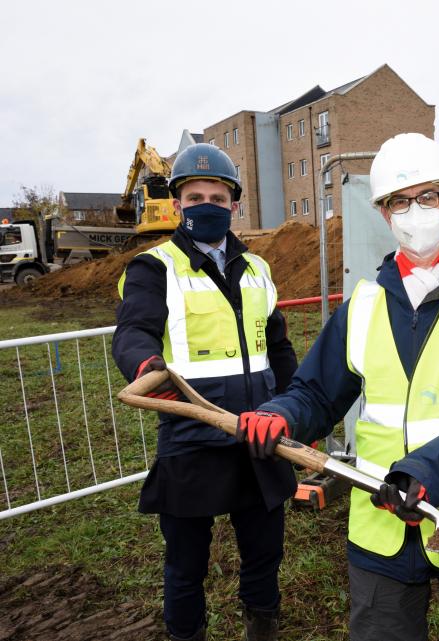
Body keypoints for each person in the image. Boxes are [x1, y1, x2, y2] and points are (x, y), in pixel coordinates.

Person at [236, 132, 439, 640]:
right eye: (400, 201)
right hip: (380, 528)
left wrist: (424, 471)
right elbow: (316, 391)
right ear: (384, 214)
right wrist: (282, 414)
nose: (414, 211)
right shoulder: (365, 303)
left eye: (428, 196)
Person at [112, 143, 298, 641]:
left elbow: (278, 346)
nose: (207, 204)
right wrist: (148, 367)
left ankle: (262, 625)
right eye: (194, 196)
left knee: (265, 551)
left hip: (259, 433)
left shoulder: (258, 268)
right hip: (192, 430)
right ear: (177, 204)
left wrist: (296, 409)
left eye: (218, 196)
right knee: (186, 562)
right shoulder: (154, 267)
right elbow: (133, 331)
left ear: (234, 203)